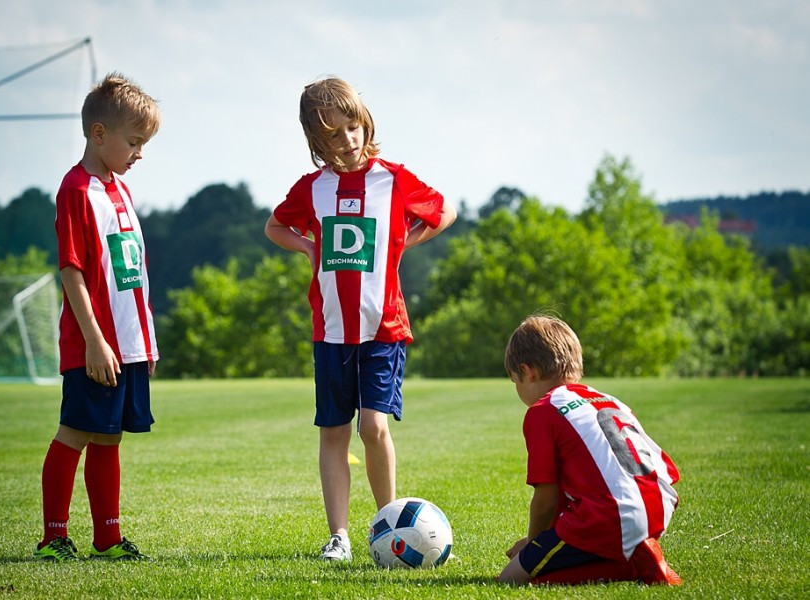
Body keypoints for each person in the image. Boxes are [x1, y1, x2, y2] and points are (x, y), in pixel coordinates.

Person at [265, 76, 456, 561]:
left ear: (363, 123)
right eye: (334, 135)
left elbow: (445, 211)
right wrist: (308, 244)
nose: (347, 141)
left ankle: (388, 524)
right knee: (334, 431)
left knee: (373, 426)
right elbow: (274, 225)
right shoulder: (313, 189)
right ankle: (340, 536)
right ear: (317, 141)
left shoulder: (393, 179)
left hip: (383, 329)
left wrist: (408, 242)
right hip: (329, 331)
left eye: (353, 128)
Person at [33, 72, 161, 562]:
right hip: (96, 343)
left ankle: (107, 538)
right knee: (76, 431)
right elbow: (72, 271)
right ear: (99, 134)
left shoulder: (120, 190)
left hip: (127, 342)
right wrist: (95, 340)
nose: (140, 153)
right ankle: (53, 537)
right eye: (134, 142)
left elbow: (131, 272)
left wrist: (143, 340)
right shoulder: (76, 189)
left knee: (110, 435)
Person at [498, 315, 682, 585]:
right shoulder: (611, 401)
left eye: (516, 381)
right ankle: (636, 549)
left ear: (528, 372)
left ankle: (632, 566)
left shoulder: (543, 411)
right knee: (550, 555)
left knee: (511, 578)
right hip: (656, 508)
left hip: (608, 516)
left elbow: (546, 498)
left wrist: (532, 546)